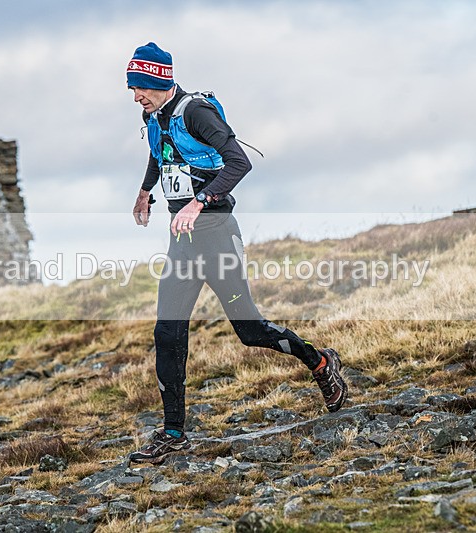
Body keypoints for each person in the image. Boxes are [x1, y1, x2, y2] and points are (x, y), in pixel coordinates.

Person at [126, 42, 347, 464]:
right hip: (183, 243)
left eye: (140, 87)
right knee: (167, 333)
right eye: (132, 88)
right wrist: (144, 190)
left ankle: (319, 363)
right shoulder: (152, 116)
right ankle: (174, 433)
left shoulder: (197, 113)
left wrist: (199, 202)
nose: (135, 96)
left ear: (159, 80)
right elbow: (160, 154)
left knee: (250, 331)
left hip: (217, 235)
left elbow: (238, 162)